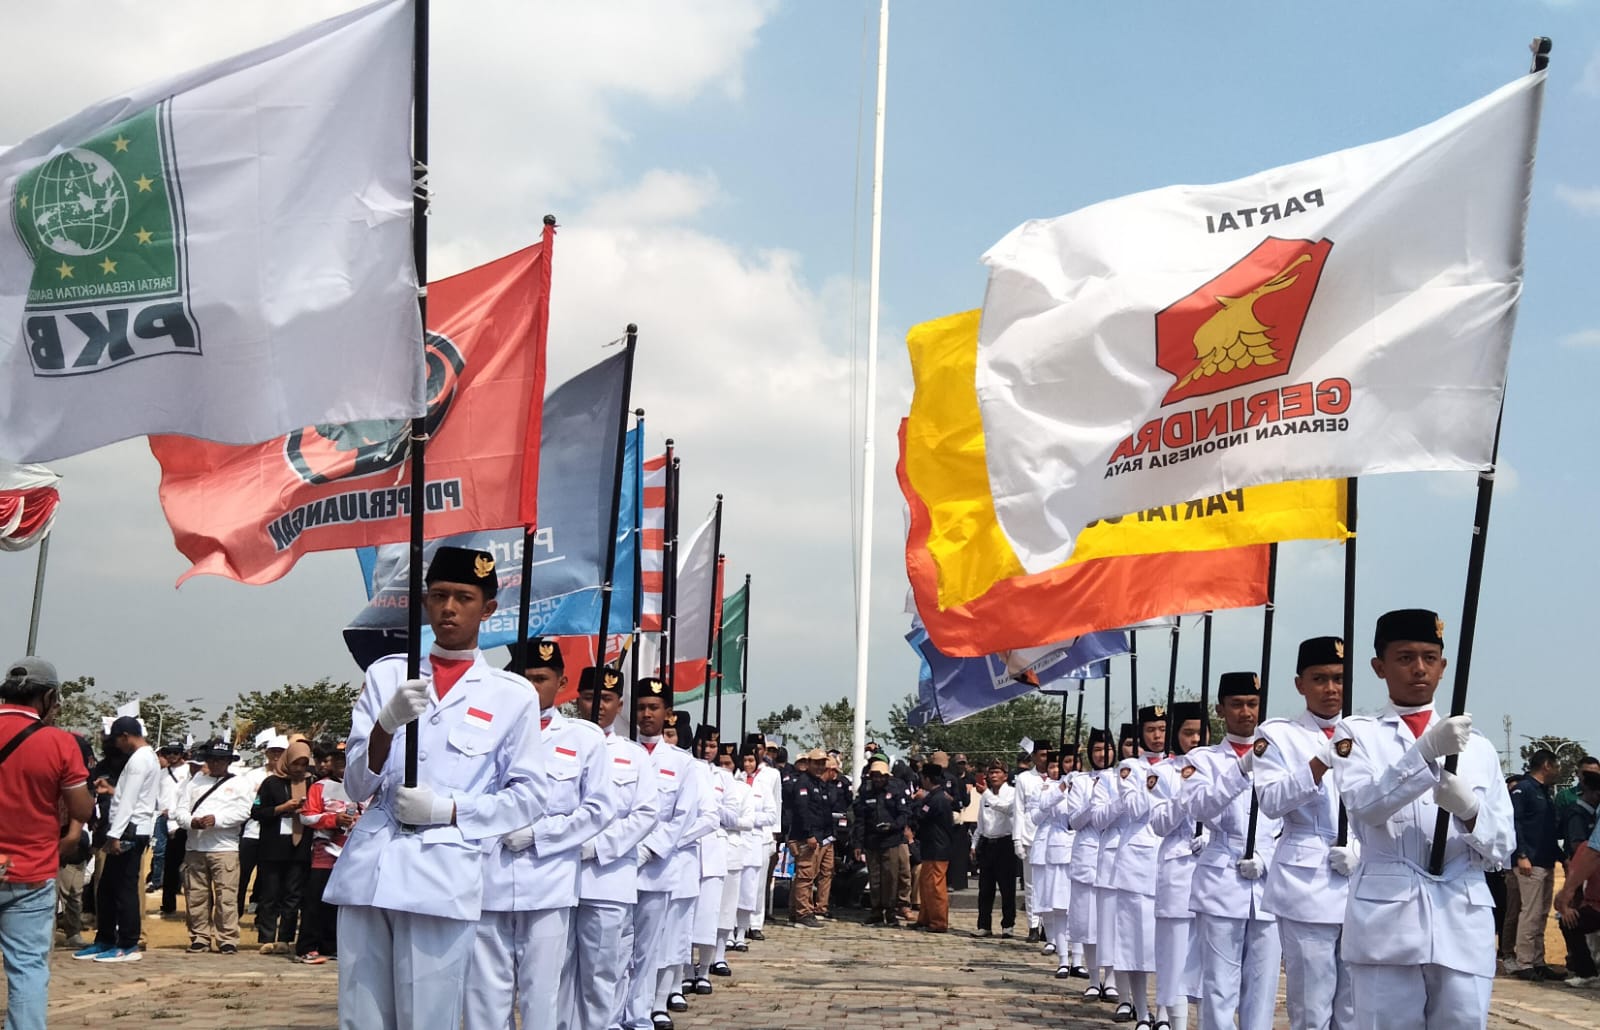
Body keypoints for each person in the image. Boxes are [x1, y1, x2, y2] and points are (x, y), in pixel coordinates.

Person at [323, 545, 548, 1029]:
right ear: (425, 602)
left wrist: (448, 809)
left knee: (429, 1016)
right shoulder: (388, 674)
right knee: (360, 1017)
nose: (449, 608)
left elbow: (528, 797)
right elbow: (357, 783)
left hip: (442, 873)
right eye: (439, 595)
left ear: (487, 609)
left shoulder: (512, 696)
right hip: (371, 869)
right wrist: (385, 725)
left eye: (464, 598)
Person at [1330, 608, 1513, 1029]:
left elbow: (1503, 844)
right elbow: (1365, 805)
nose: (1419, 668)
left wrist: (1470, 813)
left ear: (1444, 667)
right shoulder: (1356, 735)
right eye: (1405, 657)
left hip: (1461, 914)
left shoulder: (1478, 747)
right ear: (1379, 666)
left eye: (1430, 658)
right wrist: (1425, 752)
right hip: (1387, 921)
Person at [466, 642, 615, 1030]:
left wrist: (540, 834)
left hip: (549, 882)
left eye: (540, 679)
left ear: (561, 682)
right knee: (485, 994)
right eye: (524, 678)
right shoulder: (486, 731)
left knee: (543, 995)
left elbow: (598, 809)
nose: (531, 687)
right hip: (490, 879)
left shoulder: (583, 739)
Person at [1253, 636, 1356, 1030]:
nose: (1331, 689)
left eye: (1339, 679)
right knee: (1312, 1007)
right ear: (1300, 684)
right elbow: (1272, 800)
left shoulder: (1365, 732)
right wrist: (1318, 764)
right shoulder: (1278, 735)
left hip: (1360, 879)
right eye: (1319, 679)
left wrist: (1360, 848)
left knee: (1353, 1008)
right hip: (1306, 882)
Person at [1179, 672, 1281, 1030]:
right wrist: (1240, 769)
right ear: (1221, 709)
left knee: (1262, 987)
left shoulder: (1280, 755)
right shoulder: (1202, 759)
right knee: (1219, 986)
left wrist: (1268, 856)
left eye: (1252, 704)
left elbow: (1290, 814)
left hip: (1268, 881)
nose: (1246, 712)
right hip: (1222, 879)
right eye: (1236, 704)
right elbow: (1200, 808)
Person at [562, 666, 660, 1030]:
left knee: (603, 972)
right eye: (590, 697)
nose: (597, 706)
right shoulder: (560, 744)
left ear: (619, 705)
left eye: (606, 699)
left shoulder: (632, 755)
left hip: (608, 878)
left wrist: (600, 846)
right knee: (557, 971)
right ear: (576, 700)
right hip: (558, 874)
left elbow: (647, 812)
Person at [0, 657, 94, 1030]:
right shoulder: (60, 742)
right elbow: (81, 807)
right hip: (30, 871)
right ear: (50, 696)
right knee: (26, 969)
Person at [624, 678, 703, 1030]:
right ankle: (615, 1012)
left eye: (653, 707)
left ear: (667, 713)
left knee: (649, 948)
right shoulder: (621, 753)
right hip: (618, 865)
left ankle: (641, 1012)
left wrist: (650, 849)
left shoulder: (682, 763)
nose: (646, 714)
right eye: (641, 707)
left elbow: (683, 817)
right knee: (615, 947)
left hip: (656, 867)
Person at [1106, 705, 1169, 1027]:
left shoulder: (1181, 764)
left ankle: (1168, 1011)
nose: (1157, 736)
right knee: (1136, 943)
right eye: (1150, 731)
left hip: (1170, 863)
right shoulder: (1130, 767)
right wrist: (1151, 782)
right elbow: (1132, 808)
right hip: (1137, 863)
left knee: (1168, 946)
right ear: (1141, 734)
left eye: (1161, 729)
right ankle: (1141, 1010)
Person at [78, 715, 158, 963]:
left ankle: (128, 943)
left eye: (117, 740)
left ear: (125, 737)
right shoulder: (143, 758)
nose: (115, 746)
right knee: (108, 888)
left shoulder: (139, 760)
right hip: (128, 826)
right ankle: (105, 939)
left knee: (124, 889)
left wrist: (114, 835)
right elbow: (127, 795)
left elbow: (129, 802)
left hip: (130, 829)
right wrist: (111, 791)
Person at [1149, 703, 1207, 1030]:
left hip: (1213, 870)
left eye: (1200, 732)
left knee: (1209, 960)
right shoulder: (1163, 772)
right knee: (1175, 957)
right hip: (1177, 868)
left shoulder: (1221, 765)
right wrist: (1183, 796)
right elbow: (1158, 823)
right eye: (1187, 733)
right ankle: (1175, 1022)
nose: (1195, 739)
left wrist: (1212, 836)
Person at [174, 741, 254, 954]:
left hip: (224, 847)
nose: (215, 763)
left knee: (226, 896)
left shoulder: (240, 783)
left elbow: (244, 812)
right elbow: (179, 811)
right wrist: (192, 822)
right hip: (195, 846)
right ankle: (199, 936)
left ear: (228, 761)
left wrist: (216, 820)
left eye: (220, 759)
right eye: (212, 759)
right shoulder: (193, 783)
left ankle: (227, 938)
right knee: (196, 895)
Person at [251, 736, 315, 955]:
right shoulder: (271, 783)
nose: (299, 768)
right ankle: (266, 937)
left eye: (303, 764)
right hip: (273, 846)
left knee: (293, 895)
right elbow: (257, 812)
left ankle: (285, 938)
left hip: (300, 847)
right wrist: (282, 808)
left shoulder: (311, 783)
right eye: (295, 763)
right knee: (270, 893)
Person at [296, 746, 355, 964]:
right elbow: (307, 817)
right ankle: (307, 947)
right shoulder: (320, 787)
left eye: (346, 759)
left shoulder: (367, 787)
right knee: (315, 901)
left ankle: (332, 945)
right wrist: (333, 820)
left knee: (343, 903)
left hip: (355, 854)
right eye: (337, 759)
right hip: (325, 852)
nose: (342, 764)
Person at [1067, 728, 1114, 999]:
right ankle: (1094, 979)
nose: (1102, 754)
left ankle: (1112, 979)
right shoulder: (1082, 782)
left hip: (1113, 858)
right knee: (1088, 924)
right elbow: (1074, 821)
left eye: (1106, 749)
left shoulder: (1123, 776)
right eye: (1096, 750)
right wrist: (1092, 802)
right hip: (1086, 856)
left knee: (1111, 923)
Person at [1506, 748, 1561, 980]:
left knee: (1541, 914)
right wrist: (1521, 854)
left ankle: (1538, 961)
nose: (1559, 771)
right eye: (1556, 766)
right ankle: (1524, 963)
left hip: (1546, 860)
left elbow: (1546, 830)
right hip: (1529, 861)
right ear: (1546, 765)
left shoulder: (1544, 792)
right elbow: (1514, 822)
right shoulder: (1524, 790)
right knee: (1530, 913)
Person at [1028, 744, 1077, 977]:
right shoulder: (1047, 787)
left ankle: (1078, 958)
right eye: (1056, 764)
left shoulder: (1085, 783)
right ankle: (1060, 953)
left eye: (1066, 763)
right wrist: (1059, 790)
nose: (1061, 768)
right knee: (1053, 902)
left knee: (1076, 907)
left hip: (1077, 849)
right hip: (1051, 846)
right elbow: (1036, 815)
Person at [1554, 768, 1600, 984]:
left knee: (1570, 918)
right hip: (1591, 898)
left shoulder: (1587, 849)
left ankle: (1586, 972)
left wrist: (1567, 892)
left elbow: (1591, 853)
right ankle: (1586, 971)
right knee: (1572, 918)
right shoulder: (1580, 817)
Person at [854, 753, 908, 926]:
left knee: (891, 878)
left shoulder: (897, 789)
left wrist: (892, 826)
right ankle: (876, 912)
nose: (877, 779)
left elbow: (905, 814)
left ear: (886, 776)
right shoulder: (865, 791)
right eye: (874, 776)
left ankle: (891, 913)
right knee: (875, 879)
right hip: (871, 841)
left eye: (880, 776)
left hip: (891, 841)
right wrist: (858, 843)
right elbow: (860, 819)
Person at [785, 748, 832, 928]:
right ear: (808, 763)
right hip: (805, 837)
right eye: (816, 763)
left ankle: (795, 912)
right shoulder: (803, 783)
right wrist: (809, 834)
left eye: (822, 763)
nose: (820, 766)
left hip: (817, 836)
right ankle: (803, 913)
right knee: (805, 875)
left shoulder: (818, 783)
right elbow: (802, 811)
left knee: (806, 875)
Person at [973, 759, 1018, 938]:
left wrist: (986, 794)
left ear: (1005, 775)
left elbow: (1006, 809)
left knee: (1007, 888)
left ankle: (1008, 925)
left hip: (1005, 842)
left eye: (997, 772)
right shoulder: (985, 795)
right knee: (985, 888)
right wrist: (974, 843)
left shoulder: (1012, 793)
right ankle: (984, 925)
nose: (993, 776)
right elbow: (981, 821)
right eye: (991, 772)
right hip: (987, 842)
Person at [1013, 743, 1051, 941]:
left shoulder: (1057, 776)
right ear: (1034, 756)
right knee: (1031, 885)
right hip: (1030, 835)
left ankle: (1048, 925)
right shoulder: (1024, 778)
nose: (1046, 758)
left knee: (1049, 885)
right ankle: (1033, 925)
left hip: (1051, 838)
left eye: (1048, 755)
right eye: (1042, 754)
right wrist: (1017, 839)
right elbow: (1018, 809)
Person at [911, 762, 954, 932]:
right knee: (926, 885)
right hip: (930, 847)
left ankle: (939, 921)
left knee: (935, 887)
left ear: (927, 779)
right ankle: (925, 918)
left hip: (938, 848)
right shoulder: (934, 797)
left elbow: (921, 816)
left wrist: (916, 802)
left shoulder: (937, 799)